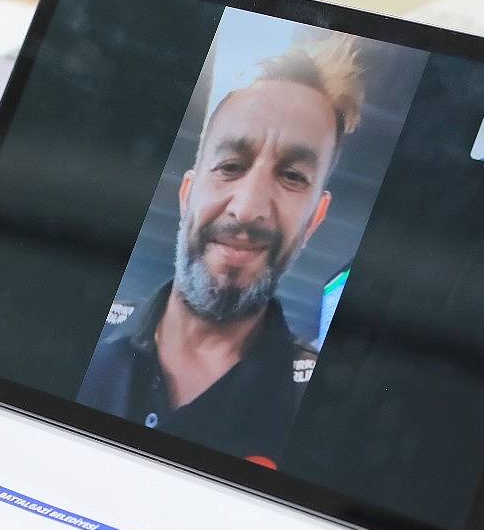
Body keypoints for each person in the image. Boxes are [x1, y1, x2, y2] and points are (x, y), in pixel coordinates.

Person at [76, 36, 365, 465]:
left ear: (314, 221)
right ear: (187, 194)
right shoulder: (79, 328)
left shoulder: (331, 416)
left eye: (292, 176)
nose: (247, 208)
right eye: (230, 166)